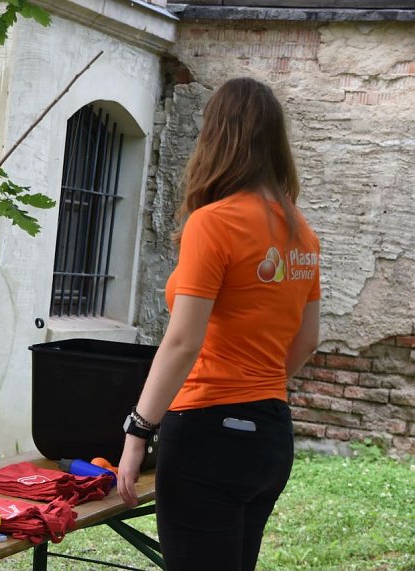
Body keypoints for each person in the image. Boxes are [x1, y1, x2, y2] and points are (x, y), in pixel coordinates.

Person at [117, 77, 321, 571]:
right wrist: (256, 388)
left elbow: (183, 342)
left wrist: (138, 431)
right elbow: (308, 340)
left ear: (217, 139)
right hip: (270, 436)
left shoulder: (214, 222)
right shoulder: (301, 233)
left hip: (208, 436)